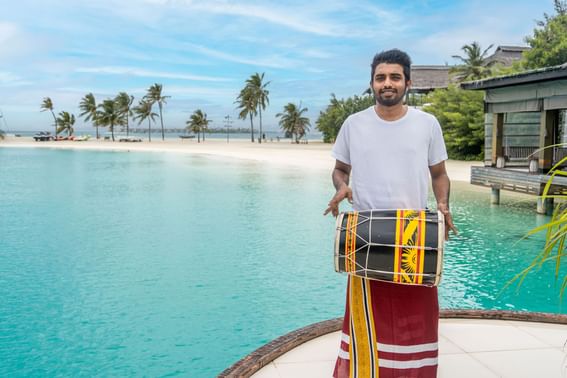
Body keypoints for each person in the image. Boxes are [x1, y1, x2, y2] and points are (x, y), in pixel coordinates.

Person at [324, 49, 457, 378]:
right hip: (366, 234)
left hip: (415, 236)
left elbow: (439, 174)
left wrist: (443, 205)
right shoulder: (354, 125)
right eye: (381, 77)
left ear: (407, 83)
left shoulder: (427, 124)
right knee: (367, 317)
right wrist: (342, 186)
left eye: (395, 77)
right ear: (371, 84)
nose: (388, 83)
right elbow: (340, 169)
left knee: (417, 320)